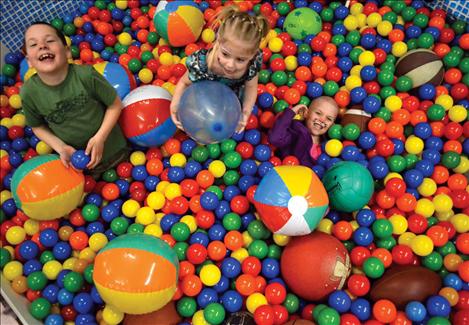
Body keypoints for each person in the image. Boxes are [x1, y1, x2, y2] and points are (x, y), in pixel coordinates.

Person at [20, 22, 129, 177]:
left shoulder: (86, 75)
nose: (42, 46)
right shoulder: (29, 93)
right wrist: (61, 147)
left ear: (67, 51)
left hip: (116, 152)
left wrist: (100, 138)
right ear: (29, 61)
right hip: (79, 167)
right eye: (33, 44)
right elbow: (37, 126)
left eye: (49, 41)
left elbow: (115, 104)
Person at [170, 6, 270, 133]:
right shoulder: (204, 63)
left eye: (240, 60)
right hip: (203, 97)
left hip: (231, 100)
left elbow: (251, 88)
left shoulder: (251, 65)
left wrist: (245, 112)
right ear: (218, 41)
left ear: (252, 56)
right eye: (225, 54)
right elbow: (184, 82)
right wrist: (175, 104)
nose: (230, 65)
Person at [268, 96, 339, 168]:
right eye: (318, 113)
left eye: (329, 119)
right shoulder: (296, 132)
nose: (322, 120)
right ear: (306, 113)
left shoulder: (329, 146)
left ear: (332, 125)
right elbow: (275, 138)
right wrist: (292, 112)